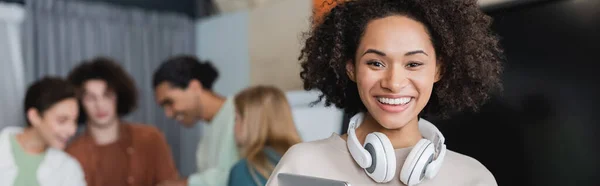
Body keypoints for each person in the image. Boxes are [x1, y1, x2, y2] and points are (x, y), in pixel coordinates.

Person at [266, 0, 504, 185]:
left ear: (438, 70)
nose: (394, 83)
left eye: (413, 64)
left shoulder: (473, 179)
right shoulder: (303, 165)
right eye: (376, 63)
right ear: (351, 68)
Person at [65, 57, 179, 186]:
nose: (100, 104)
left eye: (107, 95)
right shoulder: (72, 155)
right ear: (79, 103)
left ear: (118, 96)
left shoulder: (150, 138)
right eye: (91, 98)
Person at [153, 55, 239, 186]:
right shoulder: (207, 138)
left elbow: (246, 173)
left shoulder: (242, 113)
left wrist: (185, 184)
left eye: (169, 102)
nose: (168, 114)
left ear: (195, 87)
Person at [0, 77, 86, 186]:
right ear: (34, 116)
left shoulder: (69, 169)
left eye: (74, 121)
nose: (72, 131)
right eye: (62, 120)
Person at [228, 86, 302, 186]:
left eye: (236, 118)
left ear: (250, 122)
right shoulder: (307, 160)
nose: (234, 126)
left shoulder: (244, 170)